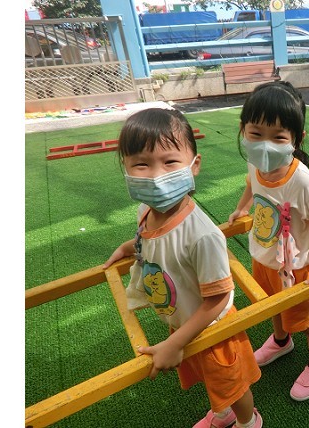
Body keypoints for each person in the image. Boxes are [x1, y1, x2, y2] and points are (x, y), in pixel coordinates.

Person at [102, 108, 263, 428]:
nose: (156, 175)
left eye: (170, 162)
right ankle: (223, 412)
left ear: (194, 165)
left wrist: (176, 343)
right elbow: (152, 242)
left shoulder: (202, 235)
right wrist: (130, 246)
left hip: (213, 327)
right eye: (141, 164)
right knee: (210, 377)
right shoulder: (145, 211)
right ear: (126, 168)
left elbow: (218, 297)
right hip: (183, 321)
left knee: (232, 384)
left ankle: (248, 420)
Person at [228, 81, 309, 401]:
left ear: (296, 139)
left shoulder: (303, 182)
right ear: (244, 130)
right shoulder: (256, 161)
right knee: (271, 306)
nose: (265, 145)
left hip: (296, 268)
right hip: (264, 257)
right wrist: (242, 207)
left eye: (278, 137)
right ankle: (281, 341)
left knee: (307, 321)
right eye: (256, 133)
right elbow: (251, 182)